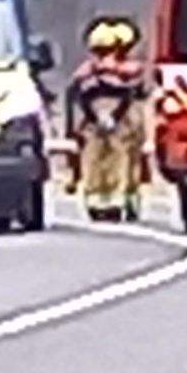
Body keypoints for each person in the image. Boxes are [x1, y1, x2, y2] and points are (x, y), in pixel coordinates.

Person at [63, 18, 152, 222]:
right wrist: (100, 118)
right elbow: (80, 96)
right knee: (103, 159)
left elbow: (133, 95)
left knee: (117, 159)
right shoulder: (95, 71)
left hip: (114, 122)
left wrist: (103, 117)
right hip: (103, 122)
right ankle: (106, 200)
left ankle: (117, 199)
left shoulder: (126, 70)